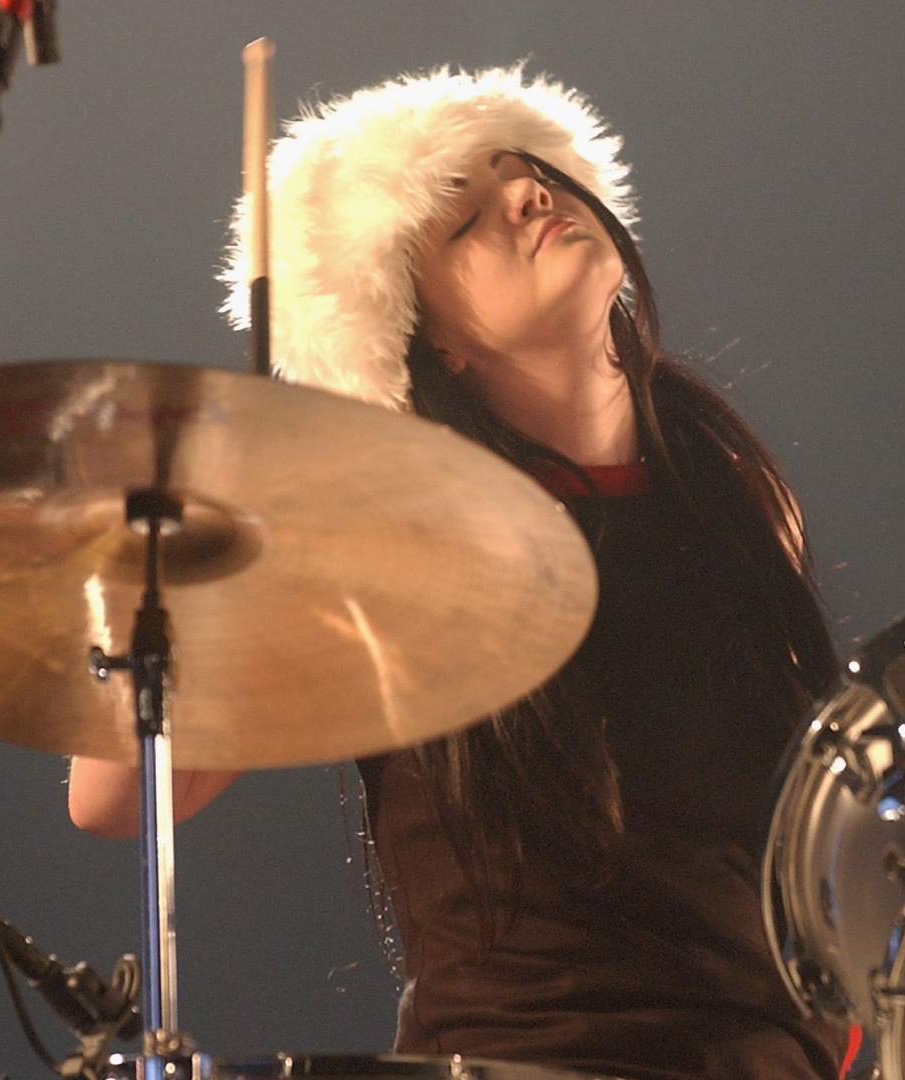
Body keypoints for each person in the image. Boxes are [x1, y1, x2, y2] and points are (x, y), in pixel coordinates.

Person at [66, 66, 846, 1080]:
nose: (531, 196)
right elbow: (114, 795)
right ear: (428, 335)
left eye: (530, 174)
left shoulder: (723, 481)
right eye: (467, 216)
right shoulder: (395, 539)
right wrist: (210, 537)